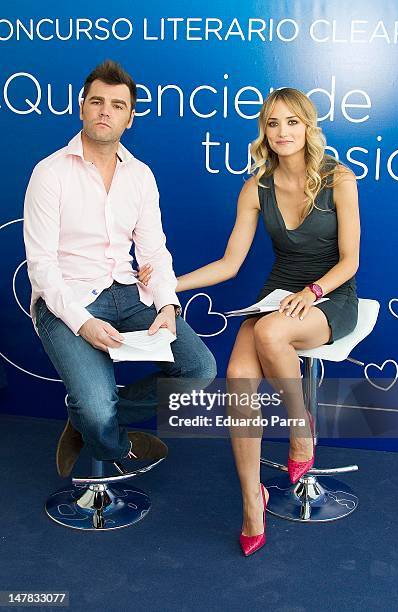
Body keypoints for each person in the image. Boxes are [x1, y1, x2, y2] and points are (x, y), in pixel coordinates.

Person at [138, 88, 360, 556]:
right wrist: (168, 285)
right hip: (276, 295)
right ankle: (251, 503)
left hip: (328, 295)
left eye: (292, 122)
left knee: (270, 331)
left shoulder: (340, 178)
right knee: (238, 376)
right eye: (273, 123)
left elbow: (350, 260)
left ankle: (301, 435)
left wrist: (312, 292)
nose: (282, 132)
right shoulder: (256, 187)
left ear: (308, 126)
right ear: (265, 130)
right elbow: (230, 263)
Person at [23, 59, 216, 478]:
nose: (104, 111)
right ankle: (115, 438)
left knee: (200, 369)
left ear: (129, 118)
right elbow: (41, 268)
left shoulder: (140, 176)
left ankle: (92, 422)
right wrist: (82, 324)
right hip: (68, 301)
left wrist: (168, 305)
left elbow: (155, 253)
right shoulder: (49, 173)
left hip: (128, 293)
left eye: (116, 104)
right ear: (82, 108)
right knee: (96, 404)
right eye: (96, 101)